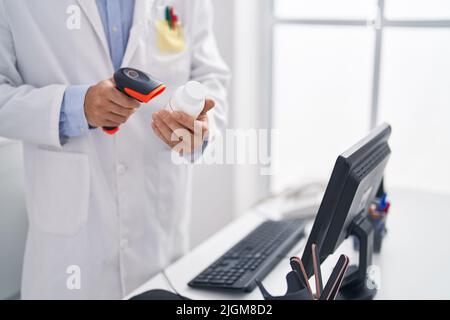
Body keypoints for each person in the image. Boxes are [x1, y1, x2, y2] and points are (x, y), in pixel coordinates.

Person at [0, 0, 229, 299]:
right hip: (70, 256)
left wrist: (200, 125)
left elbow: (210, 76)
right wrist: (75, 107)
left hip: (159, 237)